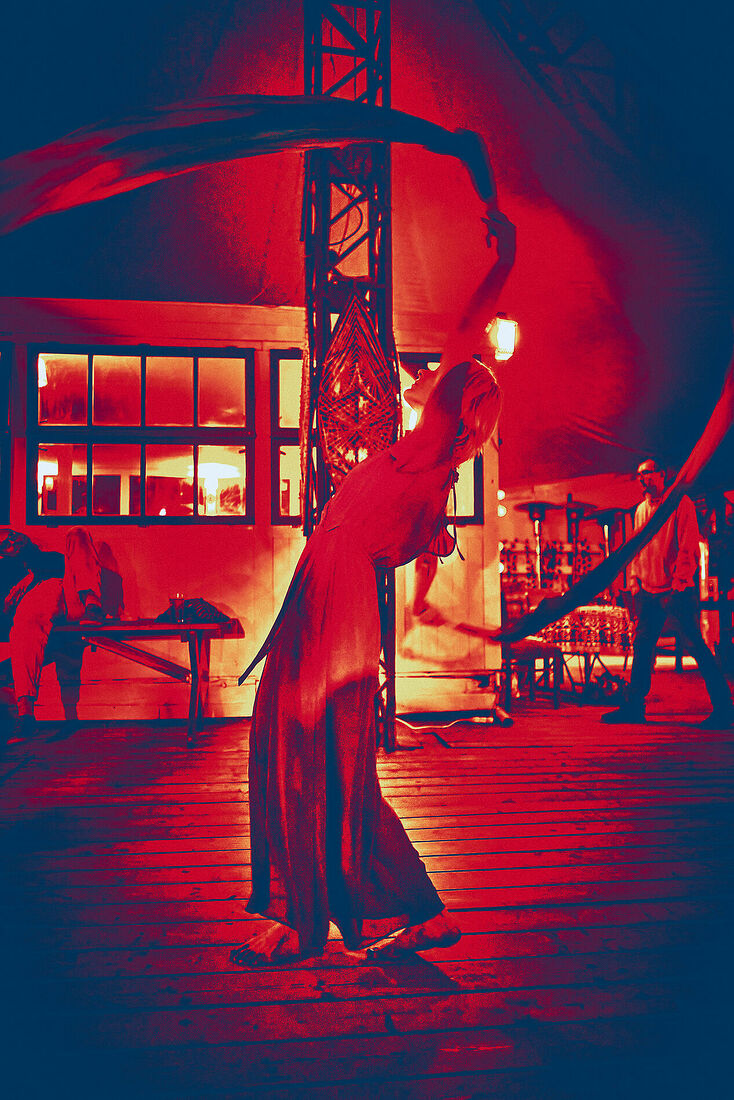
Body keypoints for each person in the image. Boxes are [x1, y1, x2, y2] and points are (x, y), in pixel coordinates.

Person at [231, 208, 515, 966]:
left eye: (443, 387)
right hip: (319, 595)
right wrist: (421, 597)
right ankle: (406, 913)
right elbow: (423, 550)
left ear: (457, 409)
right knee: (295, 752)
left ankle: (306, 922)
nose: (424, 386)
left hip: (340, 609)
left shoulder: (428, 462)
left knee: (318, 761)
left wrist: (503, 264)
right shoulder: (414, 464)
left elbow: (468, 340)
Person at [601, 458, 733, 727]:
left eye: (647, 473)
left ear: (662, 475)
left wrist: (679, 582)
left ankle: (724, 708)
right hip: (649, 590)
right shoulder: (640, 510)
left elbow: (688, 547)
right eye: (639, 475)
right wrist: (635, 581)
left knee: (695, 646)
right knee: (642, 645)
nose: (642, 478)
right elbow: (637, 547)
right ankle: (634, 707)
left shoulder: (680, 504)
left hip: (675, 590)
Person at [1, 526, 105, 735]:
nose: (13, 541)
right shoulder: (10, 571)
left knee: (77, 533)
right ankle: (26, 713)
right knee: (25, 622)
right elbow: (6, 613)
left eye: (12, 535)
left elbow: (74, 565)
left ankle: (93, 605)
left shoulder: (51, 550)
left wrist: (31, 575)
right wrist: (25, 584)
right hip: (41, 603)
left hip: (73, 597)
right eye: (6, 545)